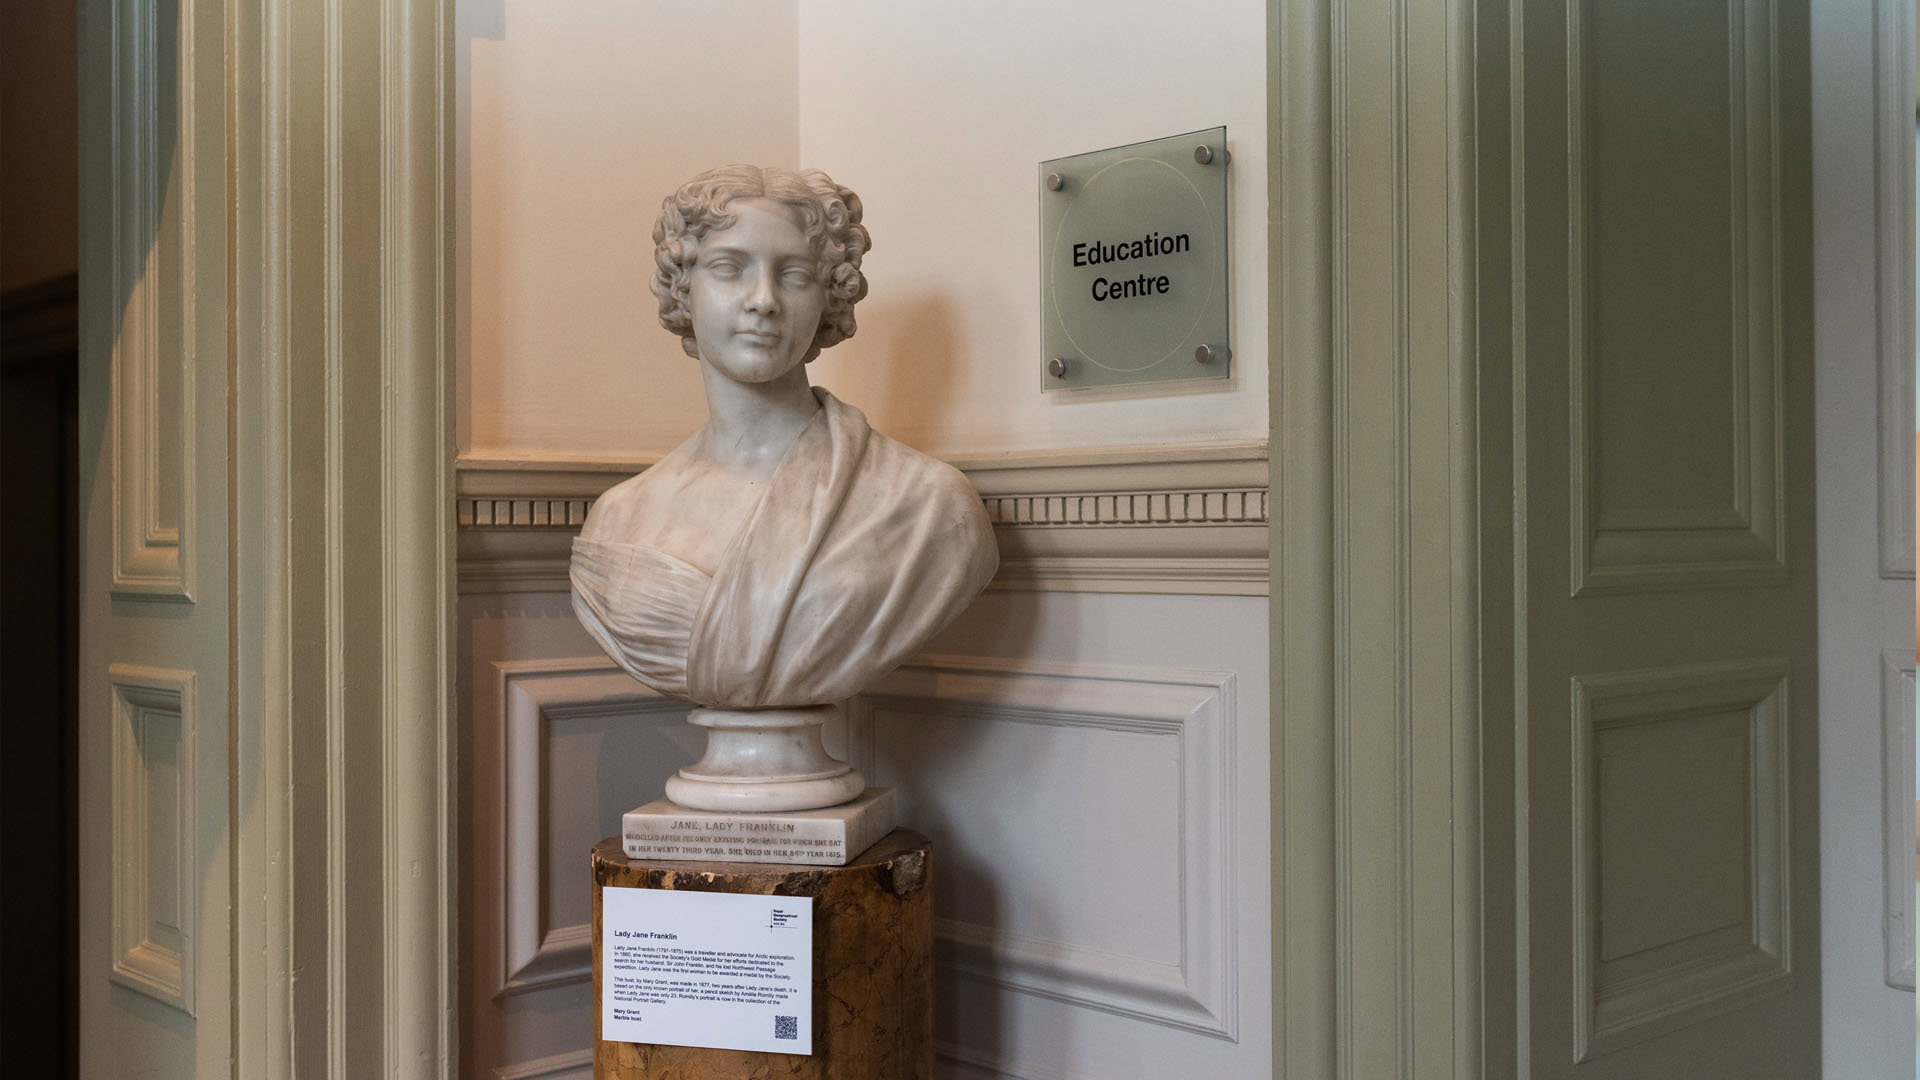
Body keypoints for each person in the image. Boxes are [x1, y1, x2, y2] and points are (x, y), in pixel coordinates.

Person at [569, 165, 999, 709]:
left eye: (794, 275)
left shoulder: (925, 505)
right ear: (684, 286)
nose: (764, 300)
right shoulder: (621, 518)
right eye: (730, 268)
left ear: (828, 297)